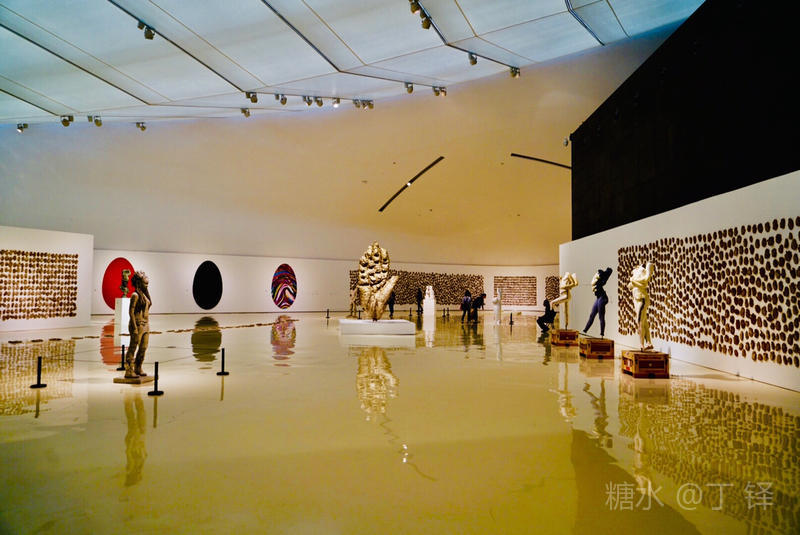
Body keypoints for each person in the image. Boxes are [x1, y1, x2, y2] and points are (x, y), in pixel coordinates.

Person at [125, 271, 151, 378]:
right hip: (138, 324)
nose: (147, 286)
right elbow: (131, 312)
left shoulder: (144, 296)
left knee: (143, 347)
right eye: (145, 284)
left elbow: (149, 304)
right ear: (139, 283)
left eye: (147, 284)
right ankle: (129, 370)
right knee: (133, 347)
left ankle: (138, 367)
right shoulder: (135, 295)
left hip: (145, 325)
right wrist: (134, 327)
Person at [628, 262, 655, 350]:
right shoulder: (634, 273)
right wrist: (633, 282)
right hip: (636, 299)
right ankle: (649, 343)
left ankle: (642, 345)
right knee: (644, 321)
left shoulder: (642, 271)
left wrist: (634, 281)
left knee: (639, 321)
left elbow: (645, 282)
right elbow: (630, 286)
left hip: (642, 299)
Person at [583, 267, 613, 337]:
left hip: (603, 298)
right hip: (599, 298)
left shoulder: (600, 281)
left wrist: (604, 273)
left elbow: (606, 276)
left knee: (601, 316)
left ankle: (602, 333)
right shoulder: (596, 280)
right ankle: (585, 330)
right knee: (592, 315)